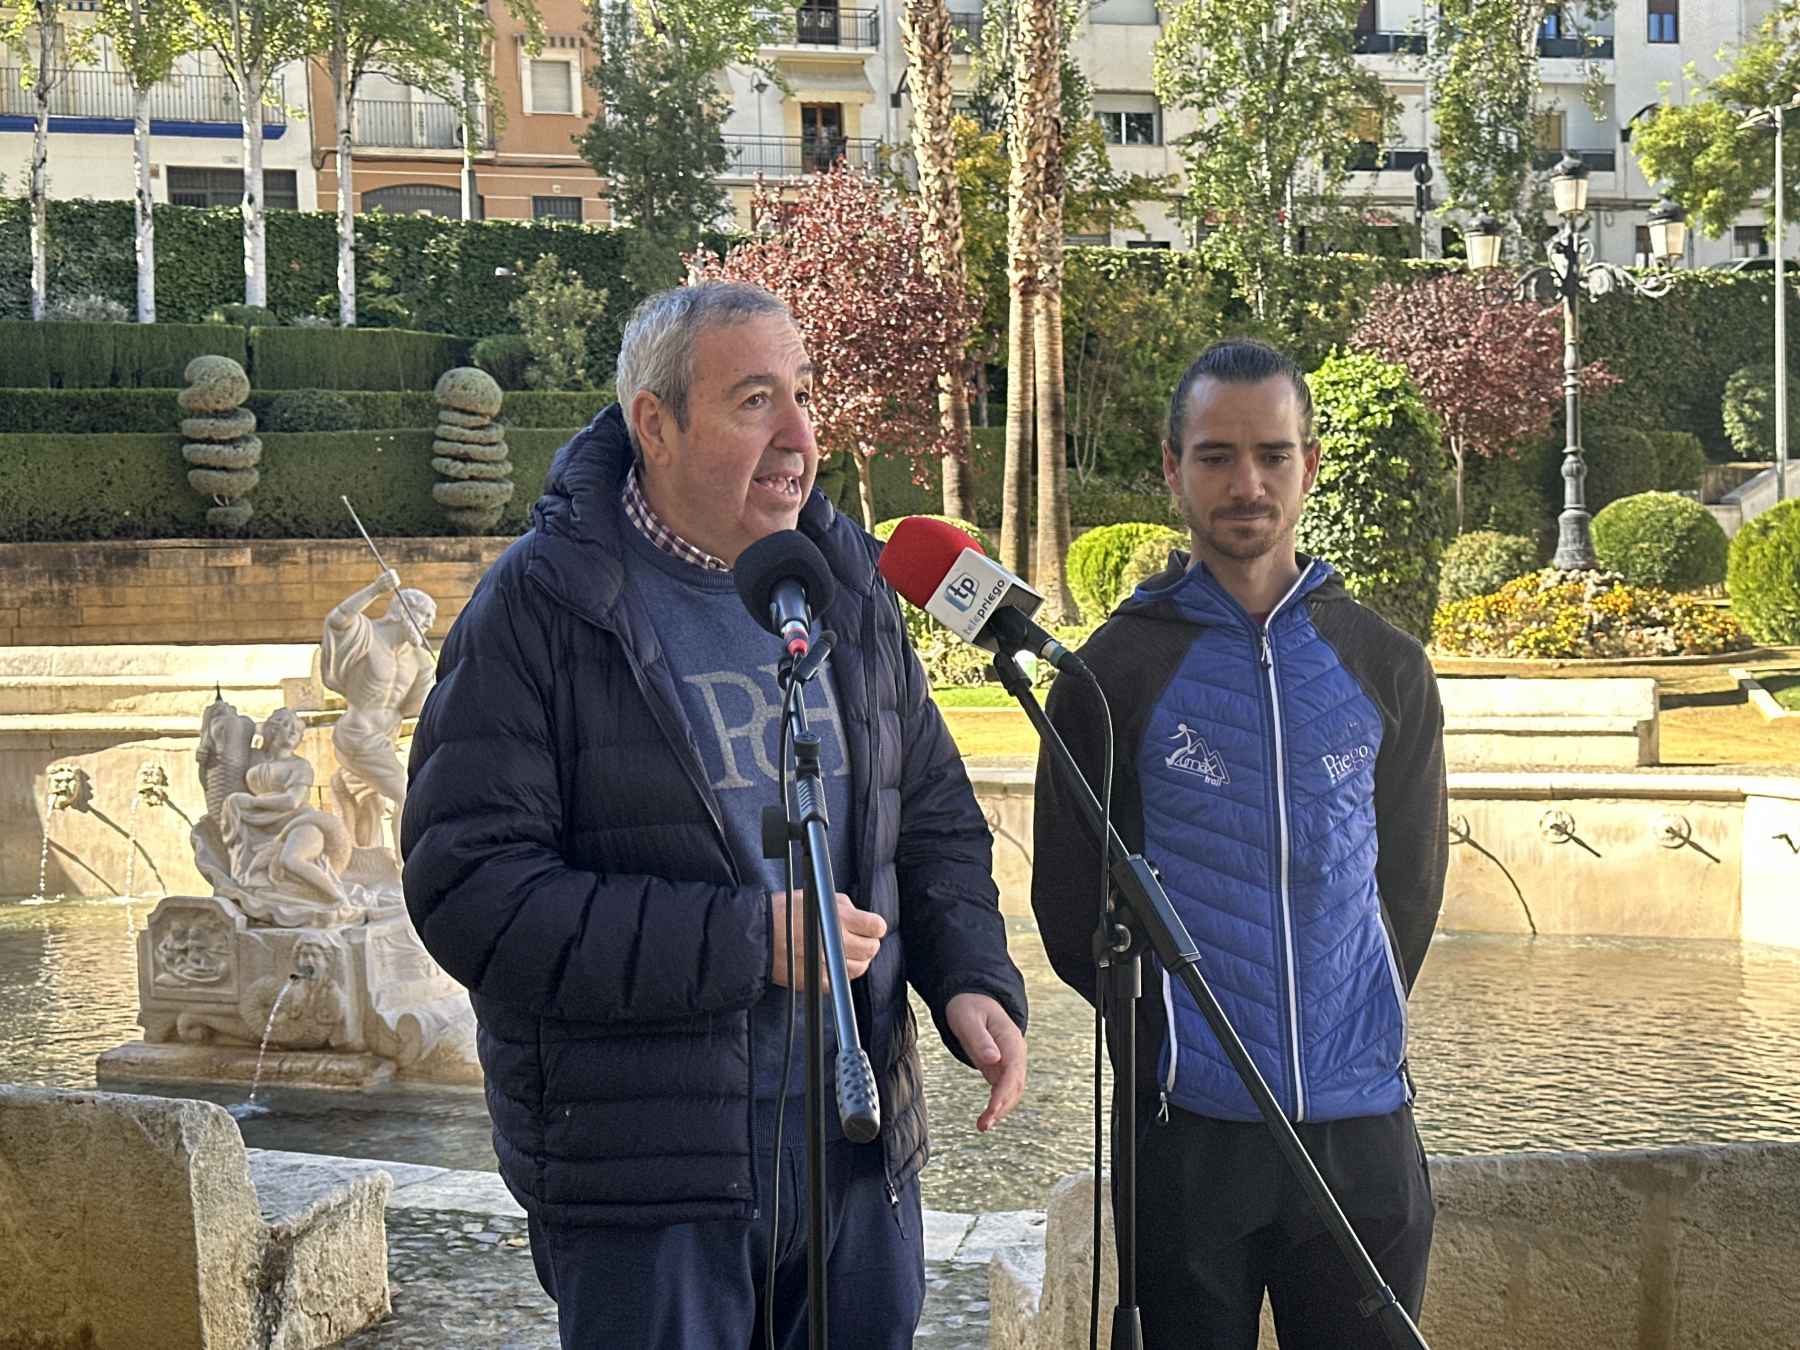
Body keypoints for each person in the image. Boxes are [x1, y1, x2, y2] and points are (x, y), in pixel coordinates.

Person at [402, 280, 1029, 1349]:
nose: (798, 436)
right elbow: (473, 894)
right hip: (649, 1180)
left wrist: (969, 974)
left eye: (802, 395)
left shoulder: (849, 589)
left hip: (854, 1150)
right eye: (753, 401)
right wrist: (748, 944)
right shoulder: (540, 610)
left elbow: (927, 811)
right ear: (656, 424)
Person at [1031, 338, 1446, 1349]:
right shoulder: (1111, 675)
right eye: (1216, 455)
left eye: (1272, 453)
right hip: (1189, 1142)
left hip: (1361, 1134)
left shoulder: (1383, 663)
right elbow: (1067, 904)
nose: (1246, 482)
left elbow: (1412, 887)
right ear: (1173, 469)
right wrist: (1172, 1043)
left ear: (1308, 465)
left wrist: (1346, 1018)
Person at [321, 572, 437, 853]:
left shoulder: (419, 659)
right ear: (402, 610)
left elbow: (418, 709)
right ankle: (405, 867)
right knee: (406, 794)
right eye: (423, 617)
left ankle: (371, 860)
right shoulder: (368, 636)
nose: (427, 626)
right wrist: (375, 589)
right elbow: (336, 621)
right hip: (358, 734)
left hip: (386, 737)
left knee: (371, 803)